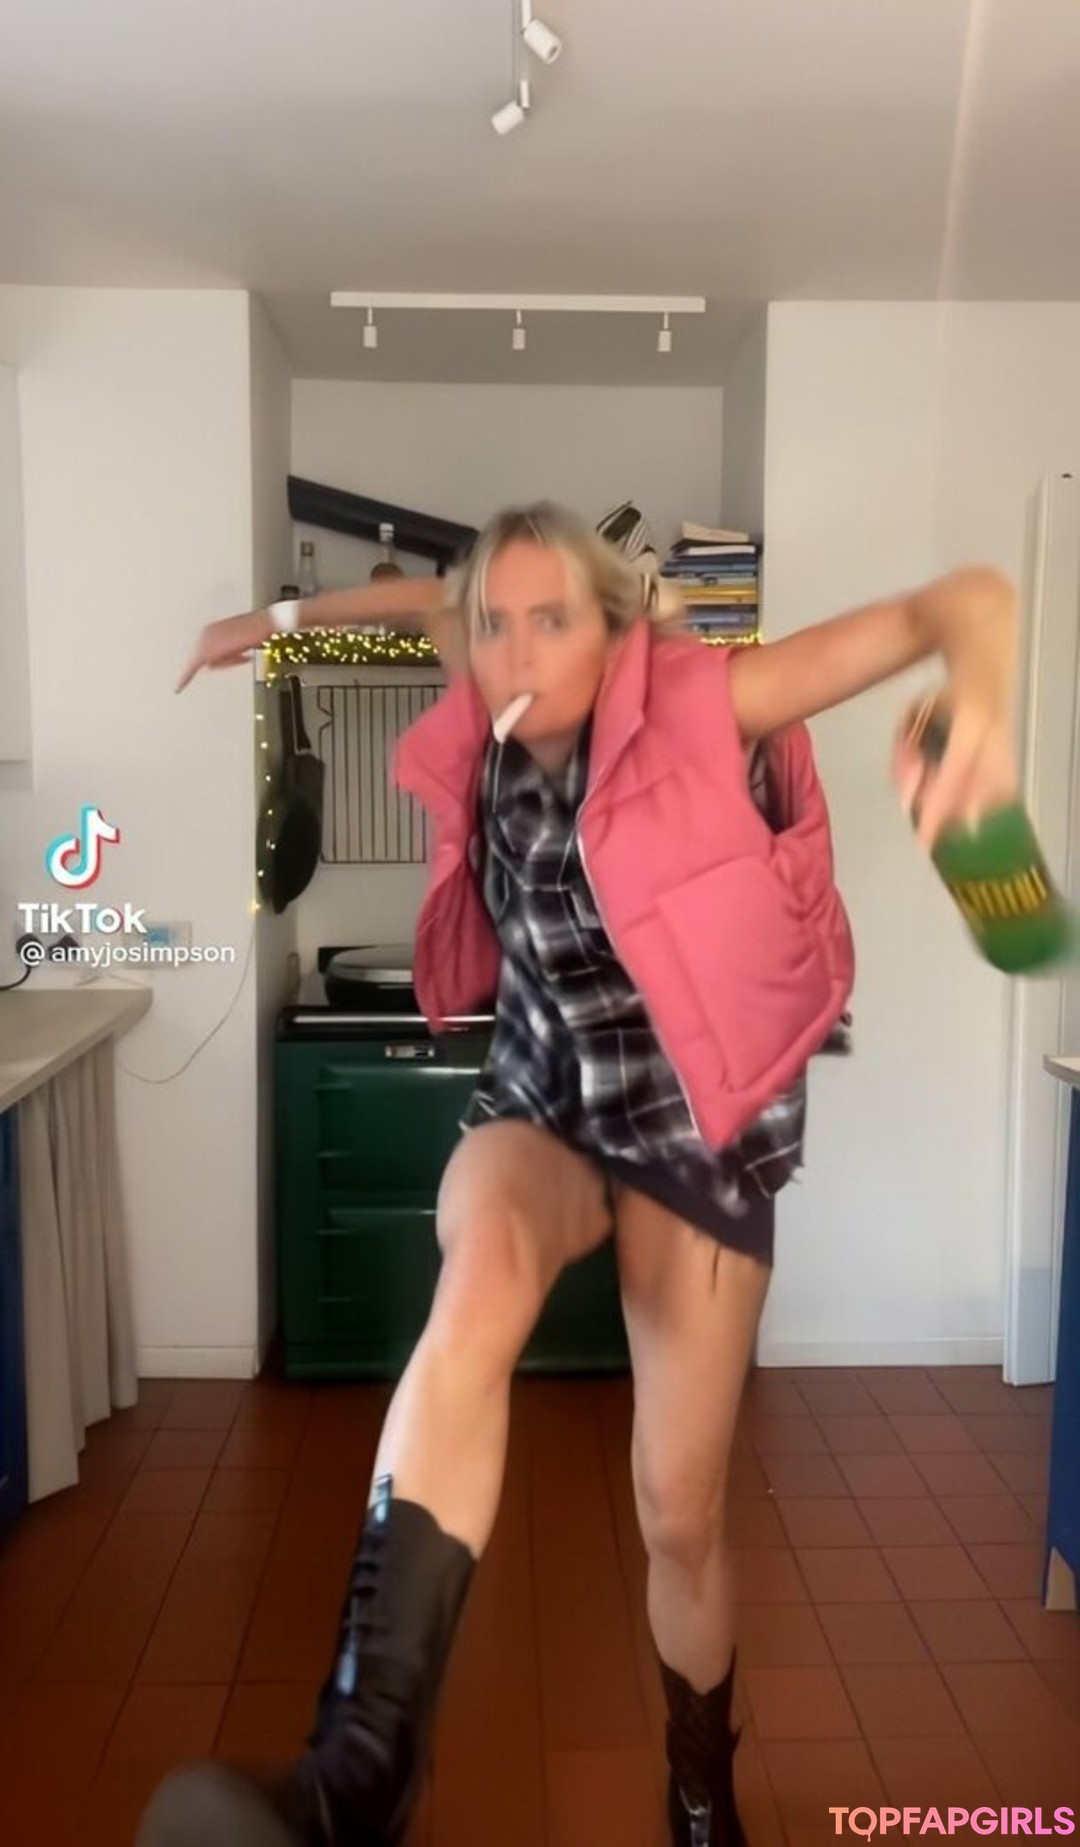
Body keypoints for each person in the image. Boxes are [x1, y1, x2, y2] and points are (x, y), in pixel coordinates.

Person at [148, 508, 1018, 1847]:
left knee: (680, 1512)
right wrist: (263, 629)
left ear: (613, 632)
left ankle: (700, 1778)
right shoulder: (491, 686)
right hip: (549, 1089)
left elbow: (962, 602)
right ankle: (358, 1772)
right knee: (475, 1285)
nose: (511, 650)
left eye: (550, 619)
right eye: (493, 623)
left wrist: (986, 733)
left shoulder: (707, 702)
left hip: (696, 1114)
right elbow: (414, 601)